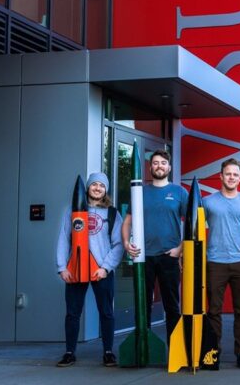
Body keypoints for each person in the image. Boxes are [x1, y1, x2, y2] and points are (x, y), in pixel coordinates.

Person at [56, 173, 123, 367]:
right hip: (76, 268)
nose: (97, 188)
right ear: (87, 188)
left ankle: (108, 352)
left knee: (106, 312)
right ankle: (69, 352)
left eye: (102, 185)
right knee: (72, 313)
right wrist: (62, 267)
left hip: (101, 270)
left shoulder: (112, 213)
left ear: (105, 190)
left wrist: (106, 268)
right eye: (94, 184)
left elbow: (118, 244)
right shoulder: (73, 211)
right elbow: (64, 238)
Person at [121, 149, 188, 344]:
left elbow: (191, 223)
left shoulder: (179, 192)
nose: (159, 166)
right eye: (156, 163)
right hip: (144, 257)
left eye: (163, 163)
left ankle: (175, 349)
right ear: (150, 167)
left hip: (169, 256)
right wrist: (126, 243)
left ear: (169, 167)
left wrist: (180, 249)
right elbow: (127, 222)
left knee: (172, 306)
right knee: (143, 306)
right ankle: (144, 348)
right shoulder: (140, 192)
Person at [201, 158, 240, 369]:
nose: (231, 177)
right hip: (214, 262)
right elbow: (196, 230)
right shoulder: (207, 202)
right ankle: (213, 352)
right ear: (221, 176)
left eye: (235, 174)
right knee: (214, 311)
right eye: (228, 174)